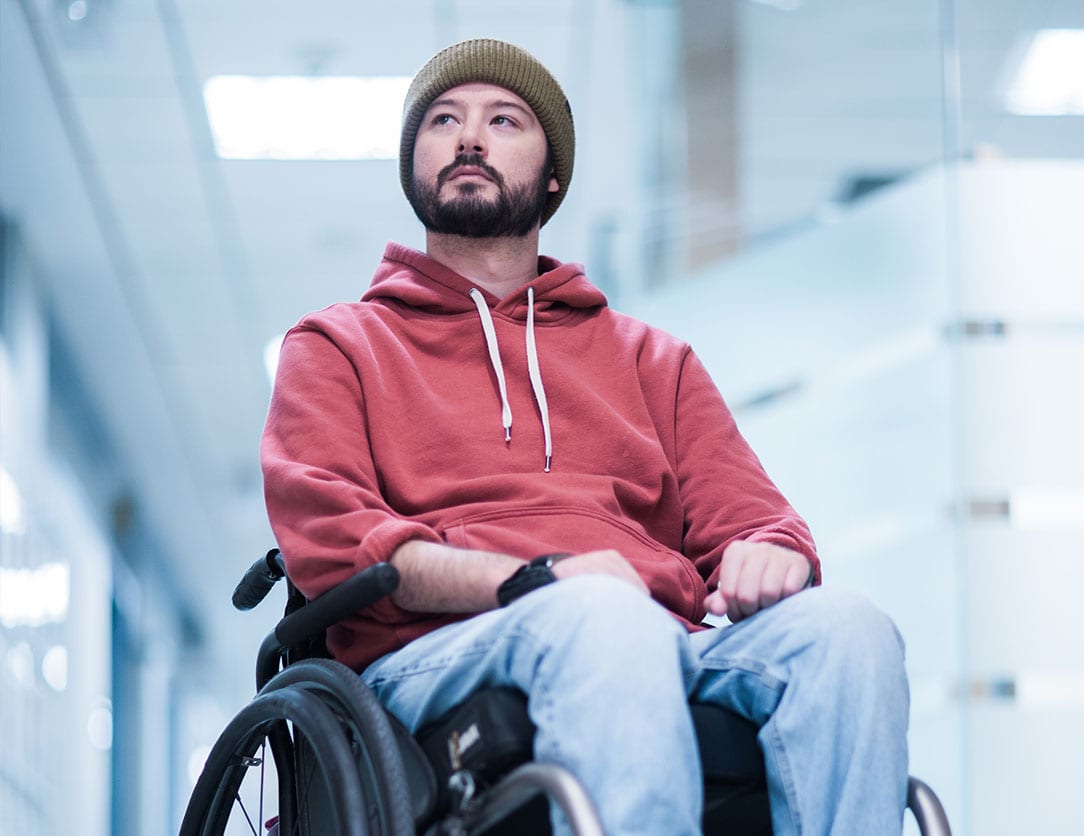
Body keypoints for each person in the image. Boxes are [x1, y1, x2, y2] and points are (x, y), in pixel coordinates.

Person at [261, 38, 909, 835]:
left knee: (849, 631)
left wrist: (772, 549)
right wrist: (538, 580)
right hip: (440, 650)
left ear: (553, 175)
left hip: (653, 637)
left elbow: (754, 519)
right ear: (413, 166)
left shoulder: (652, 360)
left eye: (503, 120)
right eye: (442, 121)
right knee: (604, 616)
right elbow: (336, 549)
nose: (469, 138)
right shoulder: (337, 345)